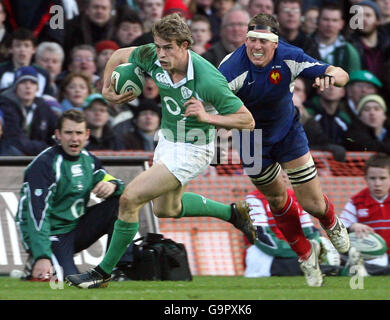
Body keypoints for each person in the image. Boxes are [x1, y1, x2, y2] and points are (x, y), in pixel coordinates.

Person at [66, 13, 256, 289]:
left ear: (184, 45)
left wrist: (207, 117)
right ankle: (233, 214)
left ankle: (102, 272)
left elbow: (246, 120)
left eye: (168, 47)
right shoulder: (151, 56)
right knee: (167, 209)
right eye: (158, 46)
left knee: (129, 199)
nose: (161, 54)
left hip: (194, 147)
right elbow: (119, 55)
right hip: (167, 140)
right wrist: (107, 89)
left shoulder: (207, 80)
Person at [218, 13, 350, 287]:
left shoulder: (291, 55)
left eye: (263, 41)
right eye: (251, 39)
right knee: (276, 201)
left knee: (312, 203)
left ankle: (330, 221)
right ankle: (305, 255)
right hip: (250, 141)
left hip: (287, 131)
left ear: (275, 44)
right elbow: (215, 109)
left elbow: (341, 74)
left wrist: (331, 78)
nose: (256, 46)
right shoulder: (230, 70)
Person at [15, 109, 128, 281]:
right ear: (58, 135)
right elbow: (37, 214)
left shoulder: (89, 160)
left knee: (121, 204)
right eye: (68, 133)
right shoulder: (44, 164)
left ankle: (119, 268)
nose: (74, 139)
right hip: (51, 232)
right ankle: (39, 263)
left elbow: (115, 182)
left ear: (87, 135)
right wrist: (42, 255)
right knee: (68, 281)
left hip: (75, 228)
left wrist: (112, 185)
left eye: (78, 133)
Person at [340, 153, 390, 277]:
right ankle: (363, 267)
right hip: (372, 258)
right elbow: (338, 230)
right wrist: (353, 226)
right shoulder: (357, 201)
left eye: (382, 178)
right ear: (365, 179)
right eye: (372, 178)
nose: (377, 183)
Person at [245, 187, 341, 278]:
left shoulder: (296, 197)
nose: (283, 175)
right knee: (315, 267)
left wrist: (317, 245)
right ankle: (343, 270)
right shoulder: (254, 199)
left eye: (285, 171)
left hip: (298, 253)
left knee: (333, 259)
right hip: (265, 256)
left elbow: (310, 231)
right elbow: (262, 238)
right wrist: (306, 251)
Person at [0, 66, 57, 156]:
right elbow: (16, 140)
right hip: (12, 158)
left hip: (38, 156)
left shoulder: (43, 106)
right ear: (15, 87)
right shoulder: (5, 105)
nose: (28, 86)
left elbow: (56, 128)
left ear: (37, 88)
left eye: (33, 83)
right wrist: (47, 148)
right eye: (23, 82)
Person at [347, 0, 390, 79]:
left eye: (368, 15)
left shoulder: (389, 46)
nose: (363, 19)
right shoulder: (348, 46)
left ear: (378, 20)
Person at [0, 28, 51, 96]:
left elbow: (47, 99)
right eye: (18, 45)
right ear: (10, 49)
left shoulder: (43, 74)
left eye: (26, 45)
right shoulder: (1, 70)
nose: (22, 50)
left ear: (34, 49)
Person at [313, 3, 362, 73]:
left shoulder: (349, 51)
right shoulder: (304, 44)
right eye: (326, 19)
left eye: (334, 20)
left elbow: (354, 81)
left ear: (341, 24)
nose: (330, 24)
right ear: (317, 21)